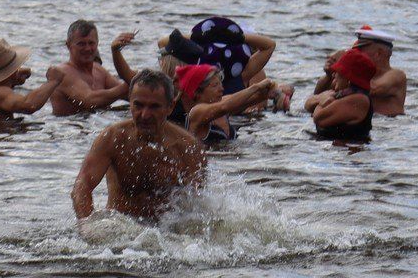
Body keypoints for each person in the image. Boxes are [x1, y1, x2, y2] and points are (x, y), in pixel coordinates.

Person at [71, 70, 206, 222]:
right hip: (120, 230)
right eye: (139, 105)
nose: (145, 115)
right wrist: (87, 225)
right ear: (130, 102)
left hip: (166, 233)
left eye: (154, 107)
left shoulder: (188, 147)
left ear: (171, 107)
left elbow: (198, 204)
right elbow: (82, 186)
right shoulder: (113, 138)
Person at [172, 63, 284, 143]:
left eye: (220, 84)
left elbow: (255, 97)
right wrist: (256, 86)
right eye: (215, 85)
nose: (221, 89)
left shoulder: (224, 103)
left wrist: (273, 90)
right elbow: (225, 107)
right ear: (197, 92)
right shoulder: (196, 112)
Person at [0, 38, 66, 124]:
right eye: (16, 67)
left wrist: (13, 78)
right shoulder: (0, 93)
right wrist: (53, 81)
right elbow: (30, 105)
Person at [311, 26, 409, 115]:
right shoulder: (354, 76)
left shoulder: (396, 75)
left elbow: (368, 89)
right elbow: (318, 95)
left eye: (359, 51)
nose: (355, 54)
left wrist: (344, 66)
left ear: (378, 53)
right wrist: (329, 74)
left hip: (387, 127)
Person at [49, 20, 131, 114]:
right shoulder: (62, 73)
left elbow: (129, 94)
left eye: (91, 43)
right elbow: (89, 100)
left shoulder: (99, 70)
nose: (87, 48)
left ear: (97, 43)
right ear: (68, 45)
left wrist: (116, 51)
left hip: (99, 122)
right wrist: (129, 83)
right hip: (69, 125)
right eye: (81, 44)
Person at [307, 48, 376, 141]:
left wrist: (320, 101)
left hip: (350, 151)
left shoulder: (359, 99)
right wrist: (321, 99)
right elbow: (307, 105)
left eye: (338, 72)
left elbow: (319, 119)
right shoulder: (345, 93)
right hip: (337, 150)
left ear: (348, 78)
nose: (334, 75)